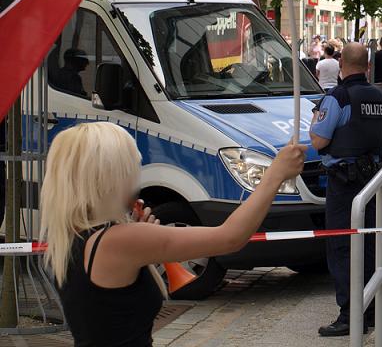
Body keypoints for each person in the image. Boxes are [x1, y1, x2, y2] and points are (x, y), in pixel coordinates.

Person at [39, 122, 305, 347]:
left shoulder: (73, 235)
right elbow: (231, 237)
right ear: (110, 176)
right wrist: (274, 175)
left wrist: (139, 236)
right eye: (131, 166)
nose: (137, 175)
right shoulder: (118, 240)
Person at [309, 43, 382, 337]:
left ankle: (349, 315)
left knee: (341, 246)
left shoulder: (338, 96)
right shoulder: (376, 96)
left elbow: (318, 140)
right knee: (367, 244)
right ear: (367, 65)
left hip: (343, 183)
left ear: (341, 64)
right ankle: (369, 308)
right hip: (371, 180)